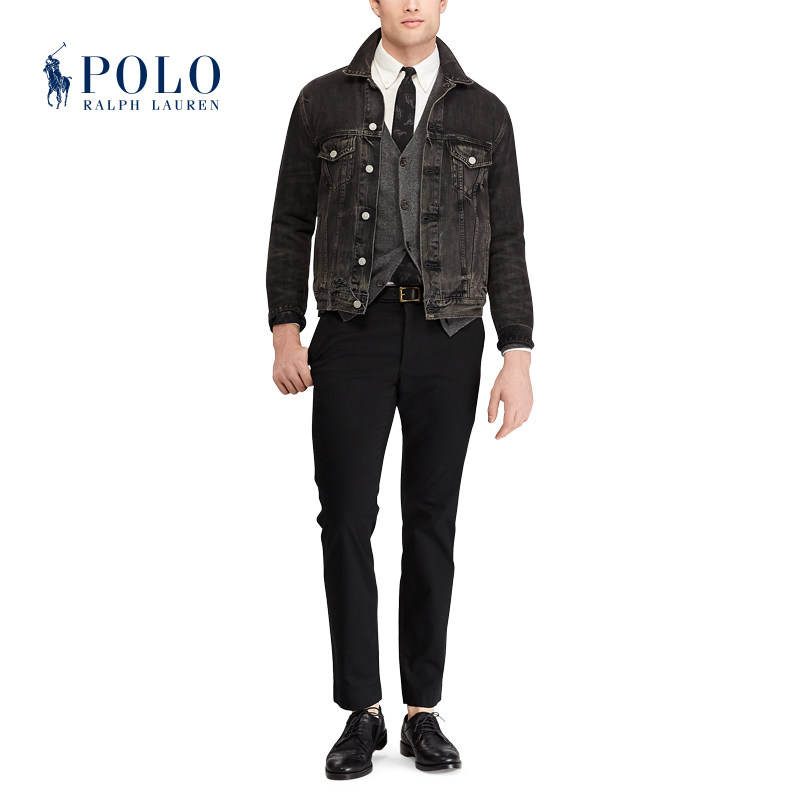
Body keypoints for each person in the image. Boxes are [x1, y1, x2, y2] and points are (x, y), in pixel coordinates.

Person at [265, 0, 534, 780]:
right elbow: (291, 222)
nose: (412, 3)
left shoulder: (486, 113)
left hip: (451, 331)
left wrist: (517, 352)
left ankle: (422, 710)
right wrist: (285, 329)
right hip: (353, 328)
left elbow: (507, 238)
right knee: (346, 516)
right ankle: (362, 710)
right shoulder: (321, 101)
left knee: (431, 520)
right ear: (375, 2)